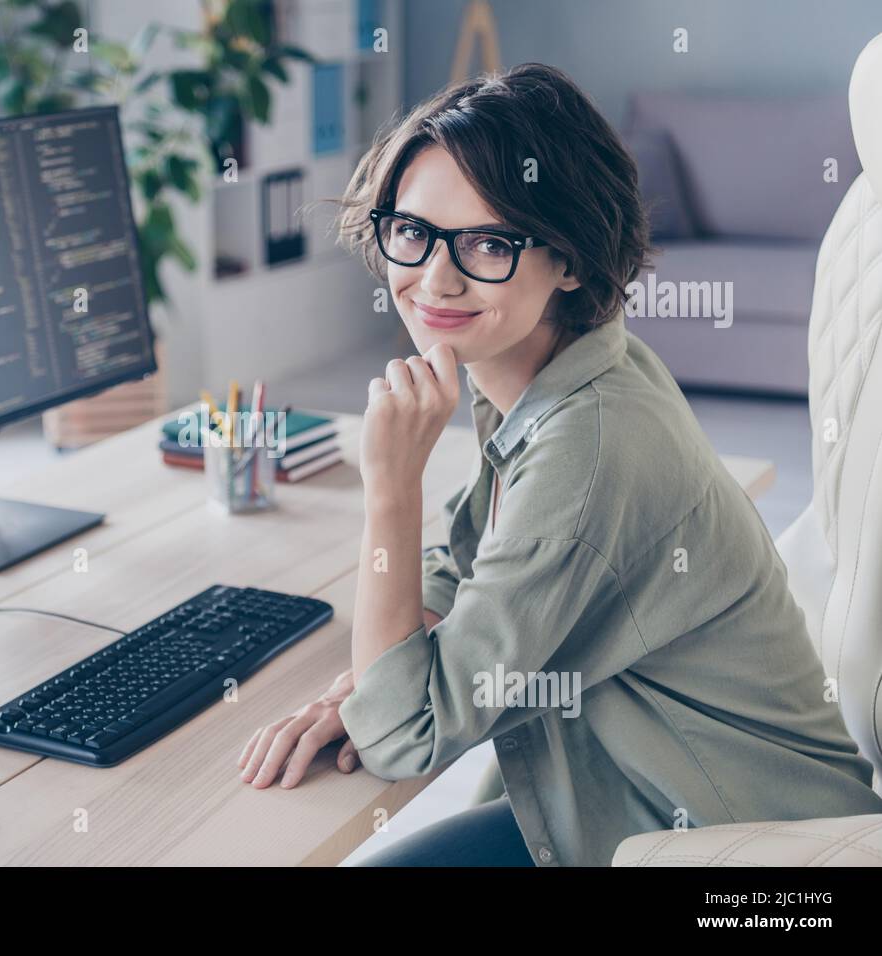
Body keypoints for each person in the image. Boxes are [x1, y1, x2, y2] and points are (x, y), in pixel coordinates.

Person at [235, 62, 882, 866]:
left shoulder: (590, 443)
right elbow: (479, 562)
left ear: (570, 260)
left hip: (743, 848)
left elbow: (409, 735)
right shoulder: (550, 371)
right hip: (621, 796)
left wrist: (391, 490)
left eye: (488, 244)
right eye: (413, 232)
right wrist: (370, 676)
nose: (435, 278)